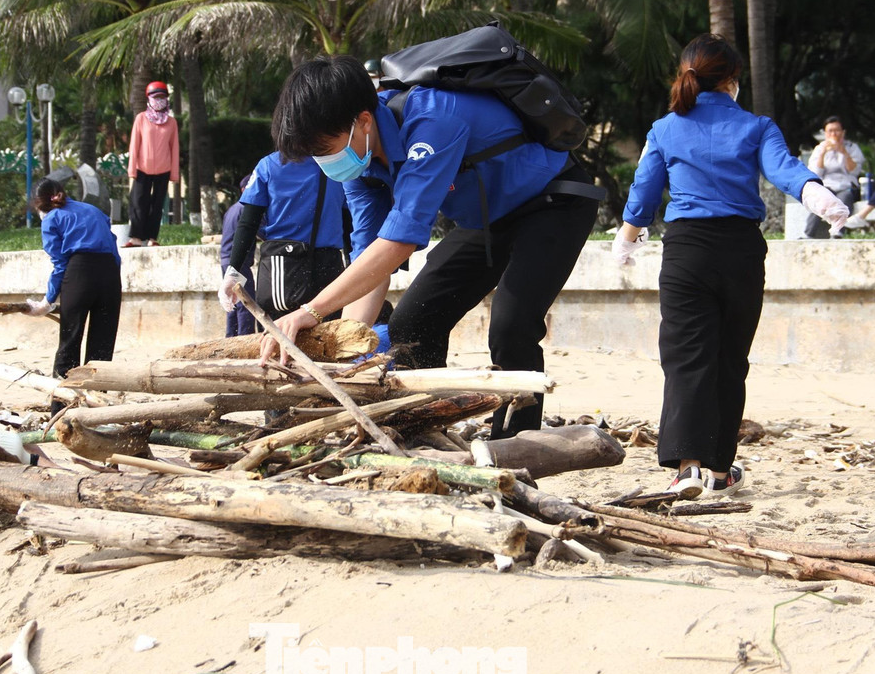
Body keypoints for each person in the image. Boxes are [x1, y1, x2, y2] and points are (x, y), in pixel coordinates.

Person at [256, 54, 602, 438]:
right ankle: (418, 434)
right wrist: (346, 343)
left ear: (364, 122)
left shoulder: (433, 120)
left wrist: (312, 310)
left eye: (327, 149)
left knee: (511, 327)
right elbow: (370, 261)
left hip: (554, 201)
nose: (325, 162)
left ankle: (517, 445)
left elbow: (400, 241)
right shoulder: (362, 163)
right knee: (413, 323)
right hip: (488, 220)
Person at [614, 35, 849, 499]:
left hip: (687, 252)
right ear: (731, 81)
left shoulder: (664, 129)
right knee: (729, 359)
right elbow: (783, 170)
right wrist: (816, 195)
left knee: (686, 358)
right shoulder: (757, 126)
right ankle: (720, 470)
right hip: (741, 251)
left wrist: (627, 240)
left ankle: (686, 468)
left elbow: (644, 192)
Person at [25, 178, 123, 413]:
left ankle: (61, 406)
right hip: (110, 274)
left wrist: (47, 301)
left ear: (40, 203)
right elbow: (114, 249)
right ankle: (96, 405)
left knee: (70, 340)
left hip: (79, 273)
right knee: (102, 344)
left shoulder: (52, 219)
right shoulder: (93, 210)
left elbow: (59, 263)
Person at [218, 150, 348, 320]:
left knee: (279, 339)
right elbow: (348, 223)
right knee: (330, 337)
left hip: (283, 269)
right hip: (331, 267)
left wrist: (233, 273)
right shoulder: (336, 163)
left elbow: (248, 223)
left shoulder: (269, 165)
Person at [125, 80, 180, 247]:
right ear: (148, 99)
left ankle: (152, 238)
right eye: (155, 97)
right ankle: (136, 237)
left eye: (162, 97)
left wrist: (174, 173)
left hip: (164, 169)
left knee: (157, 205)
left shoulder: (171, 122)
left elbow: (175, 147)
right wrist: (132, 169)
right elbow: (134, 145)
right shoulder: (141, 119)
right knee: (138, 202)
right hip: (142, 168)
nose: (159, 101)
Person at [803, 116, 865, 239]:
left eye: (836, 130)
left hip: (846, 185)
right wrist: (823, 154)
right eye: (830, 131)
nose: (834, 134)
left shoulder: (852, 147)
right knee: (821, 198)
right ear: (825, 133)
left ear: (843, 132)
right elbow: (815, 173)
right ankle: (808, 234)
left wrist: (844, 152)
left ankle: (838, 232)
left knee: (844, 198)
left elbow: (855, 171)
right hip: (827, 184)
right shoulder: (819, 149)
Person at [218, 174, 259, 336]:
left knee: (231, 300)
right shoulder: (246, 209)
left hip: (226, 260)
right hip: (238, 262)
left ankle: (231, 337)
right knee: (245, 300)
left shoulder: (231, 209)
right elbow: (261, 231)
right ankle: (245, 336)